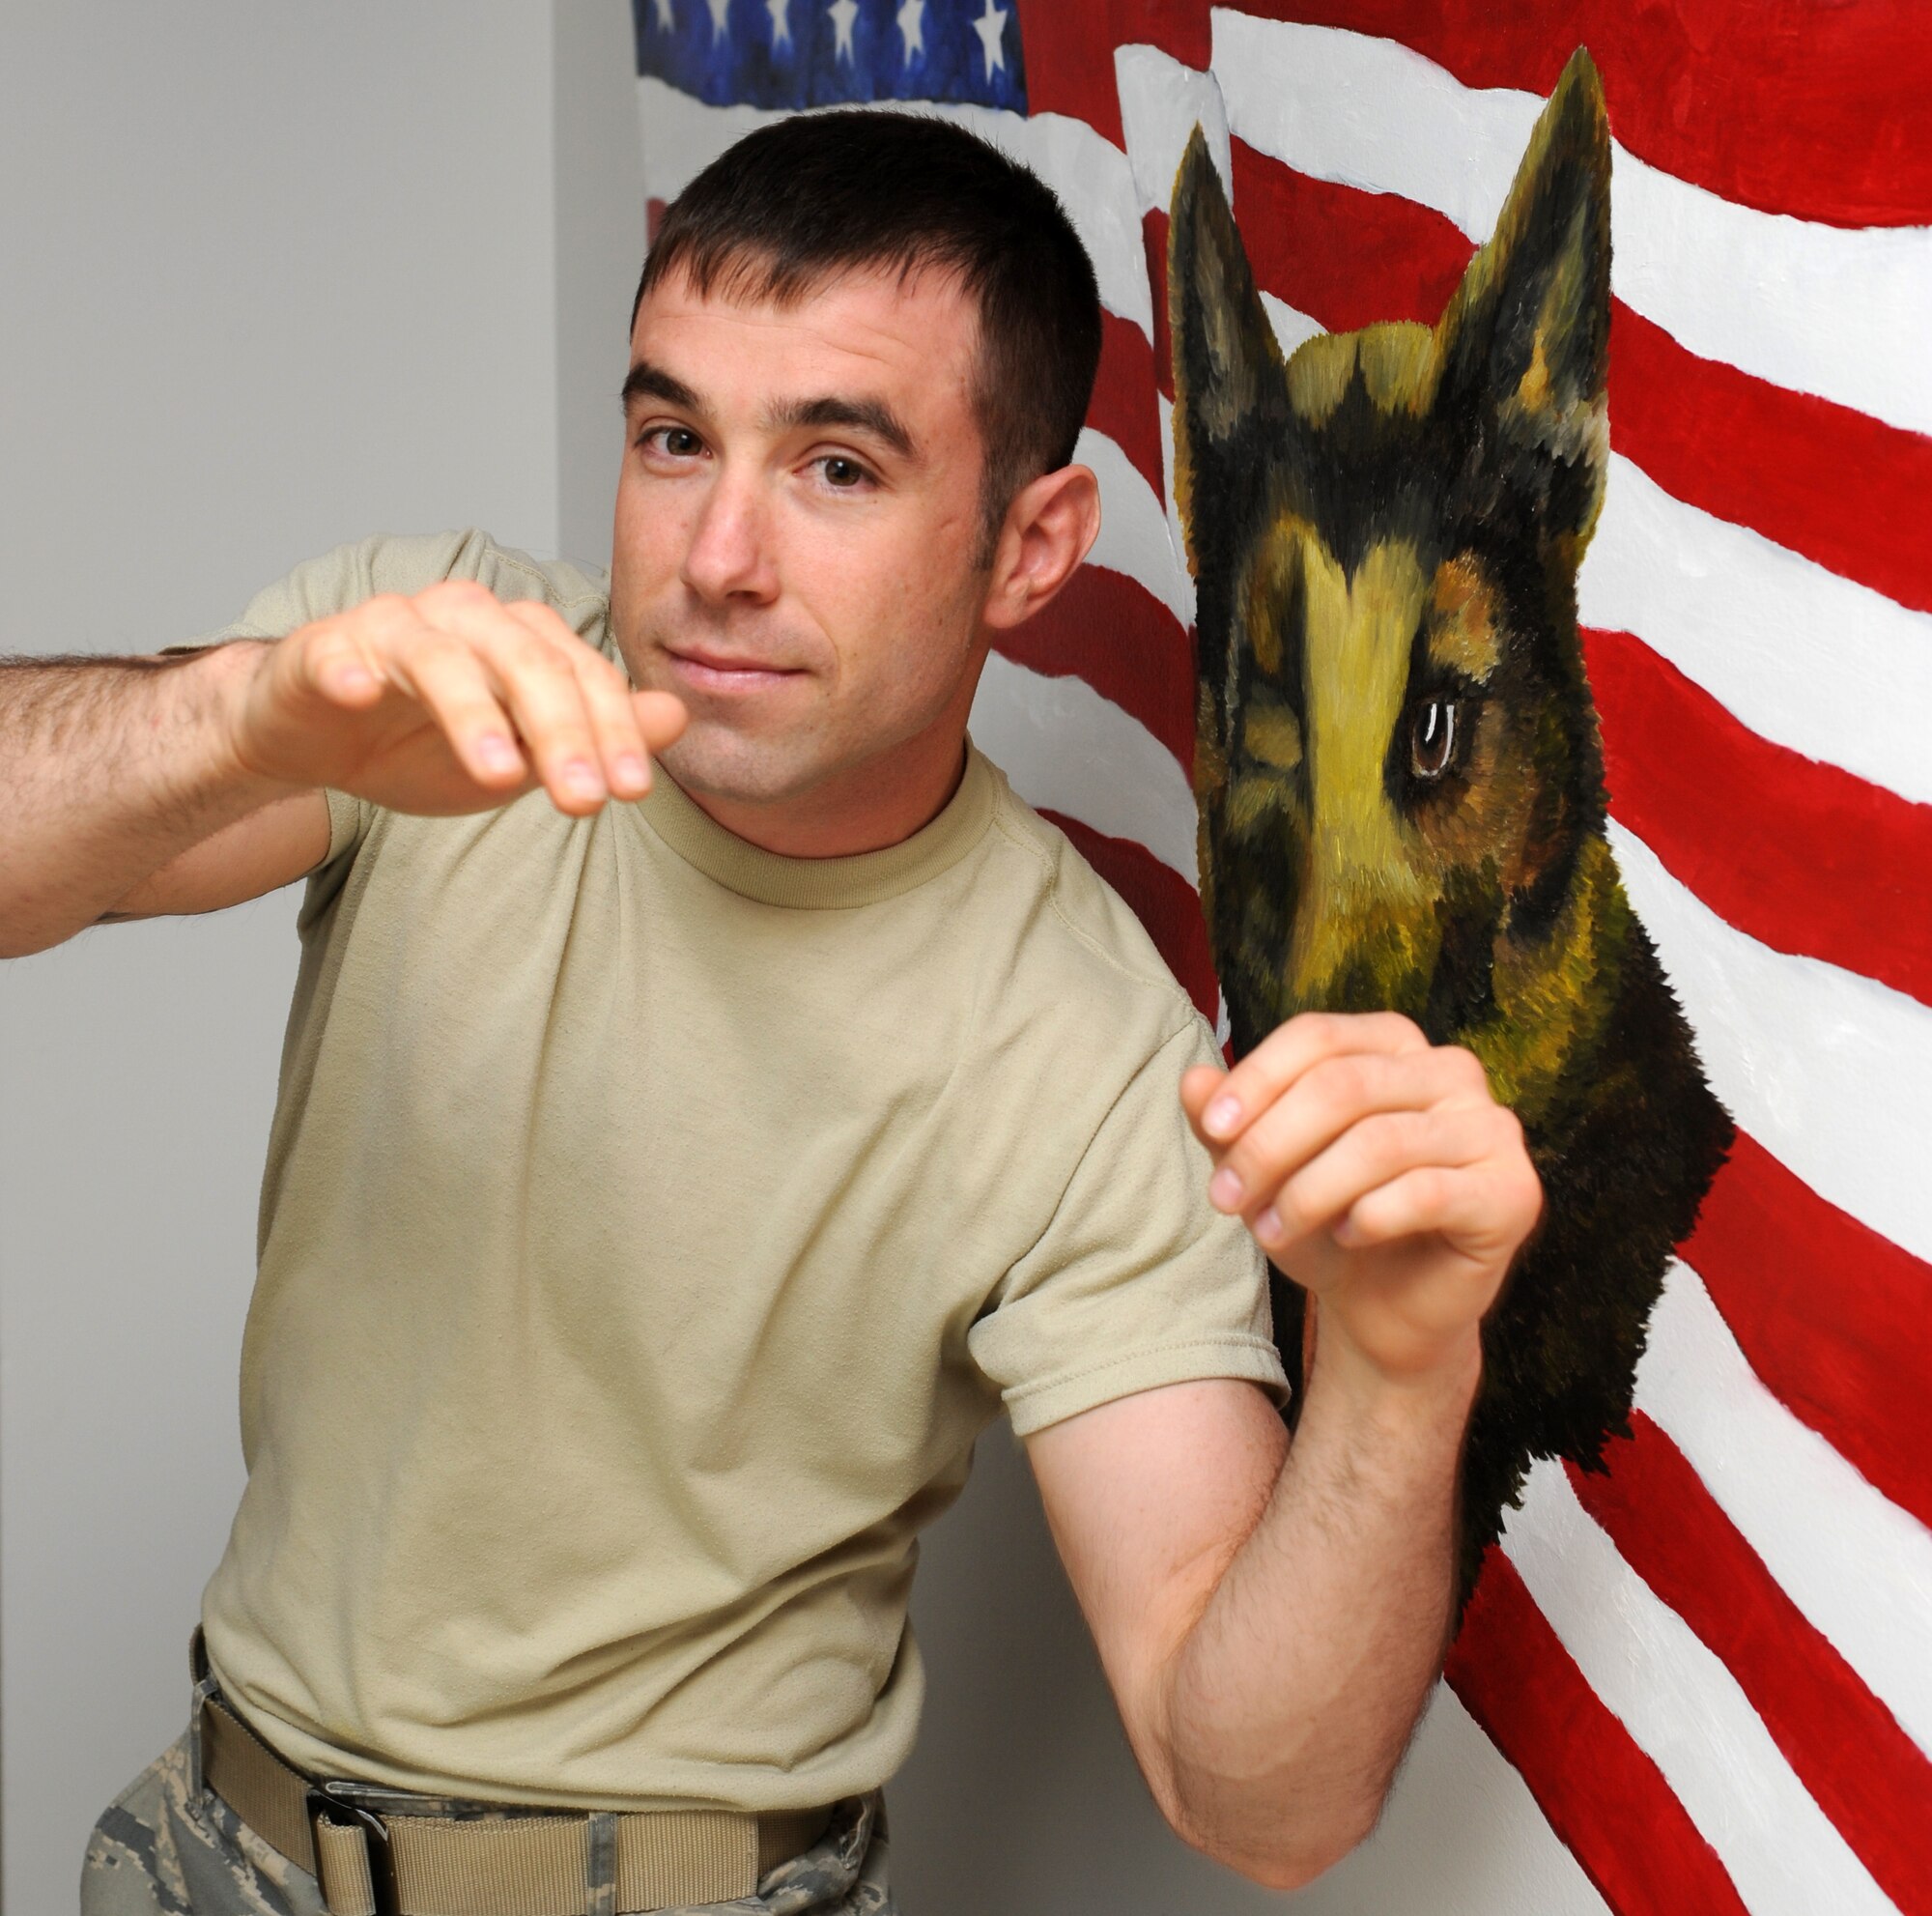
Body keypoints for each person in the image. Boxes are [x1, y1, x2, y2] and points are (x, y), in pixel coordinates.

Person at [3, 110, 1541, 1915]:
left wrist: (1396, 1372)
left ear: (1033, 547)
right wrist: (234, 720)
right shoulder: (440, 675)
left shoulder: (1087, 1053)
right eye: (674, 438)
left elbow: (1254, 1798)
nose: (716, 555)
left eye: (836, 467)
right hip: (217, 1848)